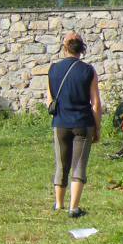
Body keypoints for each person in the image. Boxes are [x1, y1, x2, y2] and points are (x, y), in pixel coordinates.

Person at [48, 32, 102, 218]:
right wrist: (97, 127)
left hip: (60, 122)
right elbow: (95, 103)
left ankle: (58, 204)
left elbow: (50, 99)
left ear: (65, 47)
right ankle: (74, 207)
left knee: (61, 164)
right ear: (82, 48)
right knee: (79, 164)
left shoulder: (53, 69)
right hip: (83, 122)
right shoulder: (88, 70)